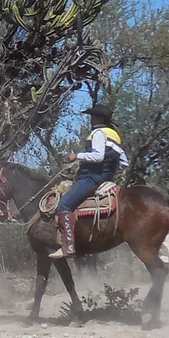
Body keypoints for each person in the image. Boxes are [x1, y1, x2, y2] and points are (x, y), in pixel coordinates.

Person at [52, 101, 128, 259]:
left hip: (92, 178)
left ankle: (68, 246)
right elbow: (124, 163)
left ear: (99, 118)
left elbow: (98, 156)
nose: (91, 118)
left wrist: (77, 156)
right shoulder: (114, 135)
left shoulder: (99, 133)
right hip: (106, 178)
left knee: (64, 205)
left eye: (93, 116)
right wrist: (109, 169)